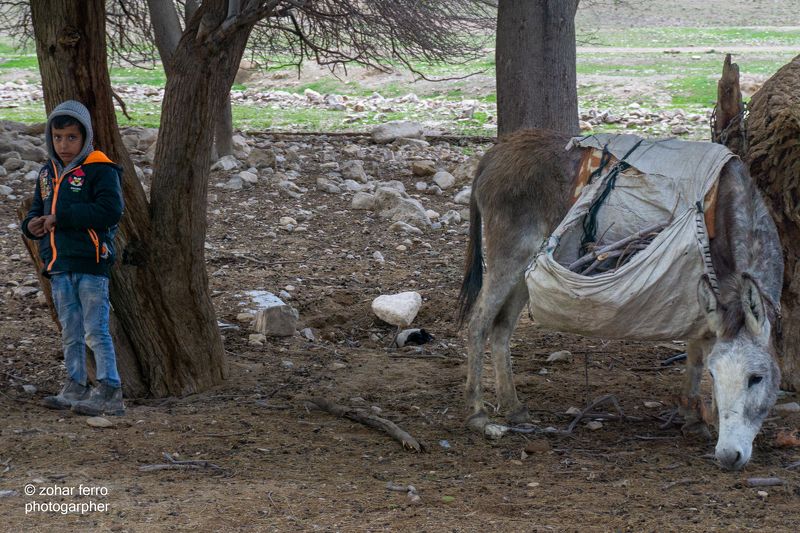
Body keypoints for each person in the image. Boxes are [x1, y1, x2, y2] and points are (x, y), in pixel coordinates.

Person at [21, 100, 125, 416]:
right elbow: (37, 209)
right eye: (57, 137)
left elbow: (110, 210)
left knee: (95, 329)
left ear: (86, 137)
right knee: (71, 330)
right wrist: (32, 225)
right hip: (58, 264)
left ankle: (110, 389)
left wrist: (61, 218)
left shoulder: (100, 169)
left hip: (90, 262)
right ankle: (75, 384)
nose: (64, 145)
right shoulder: (47, 173)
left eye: (71, 137)